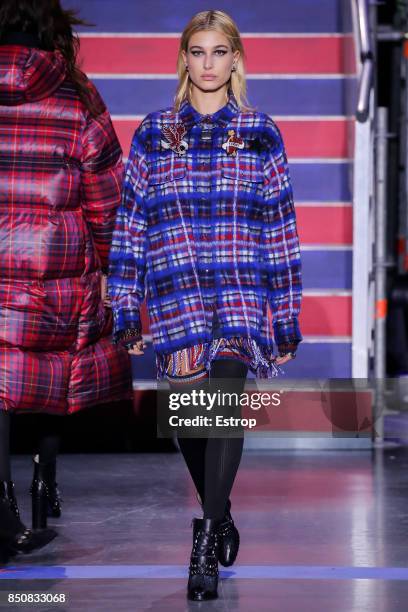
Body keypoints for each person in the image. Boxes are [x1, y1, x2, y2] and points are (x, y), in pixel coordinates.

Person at [108, 9, 302, 601]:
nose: (209, 63)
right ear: (184, 59)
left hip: (240, 295)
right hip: (176, 294)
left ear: (235, 59)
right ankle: (220, 513)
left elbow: (280, 225)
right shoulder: (153, 133)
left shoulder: (262, 133)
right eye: (199, 52)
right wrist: (123, 304)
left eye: (220, 52)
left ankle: (204, 541)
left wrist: (287, 311)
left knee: (222, 408)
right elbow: (130, 223)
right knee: (192, 425)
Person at [0, 0, 132, 538]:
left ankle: (2, 499)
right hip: (49, 268)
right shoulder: (76, 96)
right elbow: (105, 199)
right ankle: (40, 479)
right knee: (49, 368)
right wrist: (110, 265)